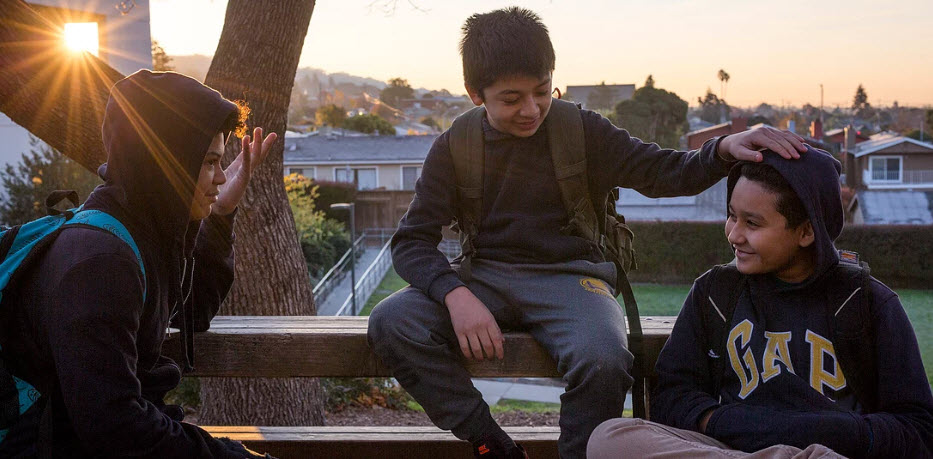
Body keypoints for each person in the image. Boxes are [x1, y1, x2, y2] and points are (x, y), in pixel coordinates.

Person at [366, 7, 807, 459]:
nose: (531, 109)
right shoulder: (455, 146)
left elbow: (660, 171)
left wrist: (722, 151)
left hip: (574, 279)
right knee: (392, 320)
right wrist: (454, 295)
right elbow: (411, 241)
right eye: (511, 99)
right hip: (484, 277)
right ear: (475, 94)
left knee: (604, 359)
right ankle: (491, 444)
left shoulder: (580, 129)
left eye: (542, 91)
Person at [0, 70, 278, 457]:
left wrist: (219, 216)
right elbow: (114, 427)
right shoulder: (100, 262)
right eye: (209, 162)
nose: (219, 177)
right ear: (165, 163)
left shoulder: (140, 229)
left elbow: (191, 312)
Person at [587, 148, 933, 458]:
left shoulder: (866, 302)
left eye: (752, 223)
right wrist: (743, 427)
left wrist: (819, 432)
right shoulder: (715, 293)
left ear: (806, 232)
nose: (734, 234)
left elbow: (917, 430)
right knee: (610, 437)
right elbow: (672, 399)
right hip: (730, 450)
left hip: (831, 453)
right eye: (732, 215)